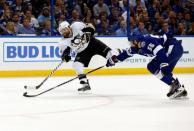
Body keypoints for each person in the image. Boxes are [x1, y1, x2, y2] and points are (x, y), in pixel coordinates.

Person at [106, 34, 188, 98]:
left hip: (173, 48)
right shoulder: (137, 46)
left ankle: (175, 85)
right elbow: (126, 54)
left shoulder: (146, 42)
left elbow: (159, 51)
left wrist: (164, 64)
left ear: (135, 41)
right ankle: (175, 86)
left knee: (158, 67)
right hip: (173, 49)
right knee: (151, 66)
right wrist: (115, 60)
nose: (130, 44)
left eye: (130, 42)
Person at [58, 21, 114, 92]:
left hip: (92, 43)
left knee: (110, 54)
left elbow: (90, 26)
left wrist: (90, 30)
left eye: (64, 29)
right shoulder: (62, 42)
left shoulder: (76, 25)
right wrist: (65, 57)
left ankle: (115, 59)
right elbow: (64, 55)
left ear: (69, 27)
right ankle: (85, 84)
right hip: (83, 52)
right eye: (61, 31)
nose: (64, 32)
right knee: (76, 65)